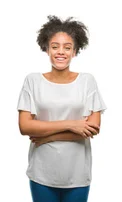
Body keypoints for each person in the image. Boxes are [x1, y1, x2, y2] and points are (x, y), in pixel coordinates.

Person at [17, 15, 107, 202]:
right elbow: (25, 127)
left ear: (75, 51)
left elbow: (93, 128)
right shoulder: (32, 81)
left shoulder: (87, 81)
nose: (61, 52)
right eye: (55, 46)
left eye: (67, 47)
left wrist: (47, 136)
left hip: (77, 174)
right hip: (41, 172)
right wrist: (72, 124)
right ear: (47, 49)